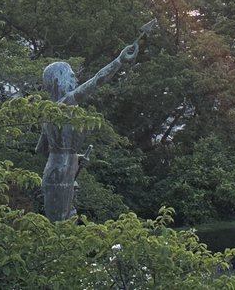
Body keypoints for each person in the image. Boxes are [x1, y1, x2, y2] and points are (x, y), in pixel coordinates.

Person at [36, 19, 156, 221]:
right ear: (58, 81)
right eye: (71, 76)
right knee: (62, 225)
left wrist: (74, 156)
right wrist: (118, 61)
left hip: (61, 171)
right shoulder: (63, 105)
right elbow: (95, 82)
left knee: (67, 221)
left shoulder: (51, 111)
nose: (75, 80)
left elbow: (41, 150)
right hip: (61, 174)